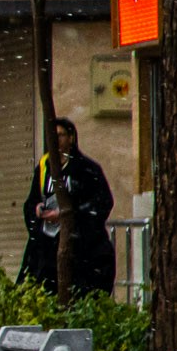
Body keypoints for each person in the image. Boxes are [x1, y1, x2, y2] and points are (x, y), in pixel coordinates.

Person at [19, 119, 116, 296]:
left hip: (82, 249)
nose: (55, 140)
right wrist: (38, 209)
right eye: (51, 136)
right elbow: (31, 202)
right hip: (48, 248)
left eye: (60, 135)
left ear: (71, 138)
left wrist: (69, 215)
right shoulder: (43, 168)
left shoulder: (87, 169)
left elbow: (102, 203)